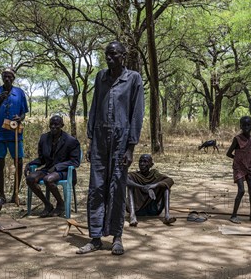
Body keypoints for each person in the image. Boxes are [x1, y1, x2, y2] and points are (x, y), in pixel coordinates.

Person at [76, 41, 144, 256]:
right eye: (107, 54)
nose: (109, 58)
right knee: (96, 188)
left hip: (121, 140)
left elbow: (137, 114)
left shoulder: (133, 78)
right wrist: (90, 141)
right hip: (99, 140)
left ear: (123, 56)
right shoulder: (100, 77)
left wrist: (130, 148)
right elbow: (95, 107)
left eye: (113, 54)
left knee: (116, 187)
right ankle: (95, 238)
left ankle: (117, 237)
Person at [25, 115, 81, 217]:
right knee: (30, 178)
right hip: (48, 169)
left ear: (62, 125)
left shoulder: (71, 141)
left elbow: (75, 162)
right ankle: (47, 205)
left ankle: (60, 204)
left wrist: (57, 167)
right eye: (51, 124)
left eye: (57, 124)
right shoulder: (44, 138)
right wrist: (30, 164)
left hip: (64, 171)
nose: (53, 127)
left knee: (48, 179)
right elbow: (42, 159)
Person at [0, 67, 29, 203]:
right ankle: (2, 195)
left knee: (19, 161)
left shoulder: (19, 93)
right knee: (0, 163)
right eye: (5, 76)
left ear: (13, 78)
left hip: (15, 133)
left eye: (10, 76)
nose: (7, 78)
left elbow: (24, 112)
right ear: (2, 77)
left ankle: (15, 194)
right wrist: (0, 101)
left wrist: (20, 118)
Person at [126, 154, 175, 227]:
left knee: (165, 185)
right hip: (138, 210)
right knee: (130, 186)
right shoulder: (134, 176)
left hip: (153, 210)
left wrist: (153, 186)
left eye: (145, 162)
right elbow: (125, 179)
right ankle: (132, 216)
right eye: (140, 161)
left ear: (151, 165)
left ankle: (167, 216)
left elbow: (170, 180)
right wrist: (142, 187)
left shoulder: (155, 175)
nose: (142, 164)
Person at [226, 116, 251, 224]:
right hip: (239, 167)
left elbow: (250, 154)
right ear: (240, 126)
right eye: (244, 125)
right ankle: (233, 215)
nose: (246, 127)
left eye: (248, 125)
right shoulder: (237, 139)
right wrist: (238, 160)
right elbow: (229, 153)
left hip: (249, 168)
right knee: (241, 190)